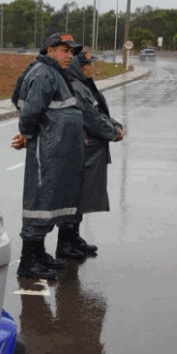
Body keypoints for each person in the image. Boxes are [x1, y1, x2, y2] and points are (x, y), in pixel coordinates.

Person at [9, 32, 85, 280]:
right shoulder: (44, 74)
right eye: (65, 50)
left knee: (49, 200)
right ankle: (28, 261)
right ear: (50, 50)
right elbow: (30, 113)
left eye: (72, 52)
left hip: (57, 152)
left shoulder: (56, 73)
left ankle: (39, 253)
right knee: (40, 203)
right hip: (46, 151)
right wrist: (27, 136)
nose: (70, 56)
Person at [60, 50, 124, 258]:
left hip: (87, 149)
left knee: (81, 196)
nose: (92, 68)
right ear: (78, 68)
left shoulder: (84, 85)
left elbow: (99, 113)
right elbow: (91, 118)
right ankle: (65, 243)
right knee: (73, 196)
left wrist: (114, 125)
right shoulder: (76, 87)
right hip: (79, 150)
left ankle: (73, 238)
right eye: (88, 65)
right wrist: (113, 132)